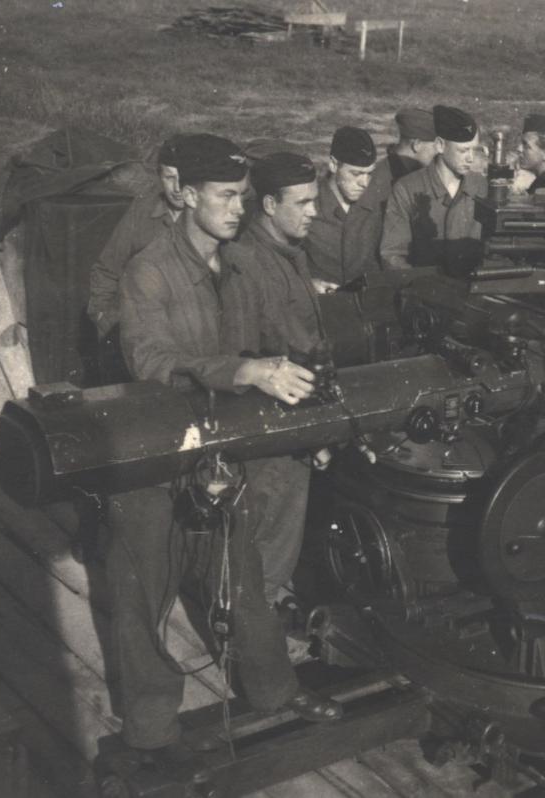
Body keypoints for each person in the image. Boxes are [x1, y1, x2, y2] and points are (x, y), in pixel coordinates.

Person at [108, 134, 340, 770]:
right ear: (186, 196)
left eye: (243, 196)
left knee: (245, 585)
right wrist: (239, 371)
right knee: (144, 595)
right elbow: (152, 361)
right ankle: (152, 731)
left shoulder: (238, 266)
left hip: (217, 457)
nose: (239, 208)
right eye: (226, 196)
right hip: (151, 460)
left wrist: (302, 424)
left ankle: (274, 693)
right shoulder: (149, 271)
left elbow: (272, 345)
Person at [223, 150, 327, 607]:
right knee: (263, 552)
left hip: (297, 418)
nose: (314, 212)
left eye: (314, 201)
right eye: (302, 203)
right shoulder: (246, 264)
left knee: (279, 544)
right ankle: (250, 648)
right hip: (272, 434)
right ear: (268, 205)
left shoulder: (288, 254)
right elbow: (246, 357)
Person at [86, 134, 187, 382]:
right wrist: (104, 319)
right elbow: (107, 269)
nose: (176, 187)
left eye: (184, 178)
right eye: (169, 177)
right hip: (143, 332)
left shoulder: (209, 216)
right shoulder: (143, 211)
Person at [380, 104, 488, 273]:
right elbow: (393, 255)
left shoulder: (481, 187)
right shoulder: (407, 189)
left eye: (474, 150)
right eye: (463, 150)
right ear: (440, 145)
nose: (471, 158)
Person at [343, 108, 437, 274]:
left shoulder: (406, 174)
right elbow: (361, 253)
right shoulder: (380, 185)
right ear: (416, 145)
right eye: (435, 147)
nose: (439, 153)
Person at [303, 126, 378, 291]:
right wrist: (308, 284)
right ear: (334, 165)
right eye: (356, 174)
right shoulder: (307, 206)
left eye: (369, 173)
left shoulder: (375, 206)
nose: (364, 183)